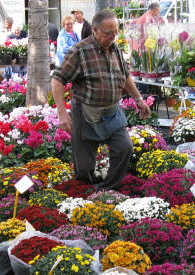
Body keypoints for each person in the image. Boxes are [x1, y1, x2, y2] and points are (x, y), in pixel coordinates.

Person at [51, 9, 150, 190]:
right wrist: (62, 112)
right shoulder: (79, 51)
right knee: (84, 167)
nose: (112, 37)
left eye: (115, 32)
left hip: (112, 112)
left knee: (124, 147)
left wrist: (138, 99)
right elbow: (57, 79)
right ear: (95, 30)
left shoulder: (116, 49)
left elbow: (125, 75)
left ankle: (107, 190)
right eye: (108, 33)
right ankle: (86, 196)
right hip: (85, 114)